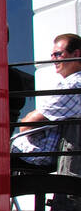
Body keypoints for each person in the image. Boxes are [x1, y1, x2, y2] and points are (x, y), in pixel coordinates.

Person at [11, 34, 81, 170]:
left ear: (76, 54)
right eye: (52, 55)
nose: (53, 59)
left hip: (36, 155)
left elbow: (26, 125)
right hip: (39, 152)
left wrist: (28, 117)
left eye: (58, 54)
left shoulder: (72, 85)